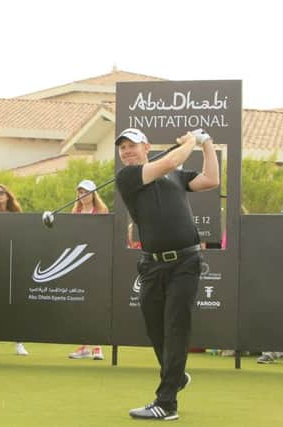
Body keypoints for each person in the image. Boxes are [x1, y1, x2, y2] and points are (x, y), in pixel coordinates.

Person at [115, 128, 219, 421]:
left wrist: (207, 143)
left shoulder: (175, 175)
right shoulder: (129, 177)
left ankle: (166, 402)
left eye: (131, 146)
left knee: (176, 327)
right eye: (122, 148)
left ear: (146, 146)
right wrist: (190, 142)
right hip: (152, 265)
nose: (126, 152)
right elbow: (171, 162)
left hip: (186, 262)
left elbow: (211, 179)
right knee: (155, 328)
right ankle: (177, 376)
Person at [0, 184, 29, 356]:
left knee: (15, 305)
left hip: (14, 264)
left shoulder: (17, 216)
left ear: (8, 196)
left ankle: (18, 342)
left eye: (2, 193)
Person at [67, 179, 108, 361]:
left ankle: (97, 347)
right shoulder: (74, 212)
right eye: (80, 192)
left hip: (96, 262)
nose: (82, 195)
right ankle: (84, 346)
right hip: (78, 262)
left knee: (95, 305)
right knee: (81, 306)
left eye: (86, 192)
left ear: (93, 193)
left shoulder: (102, 212)